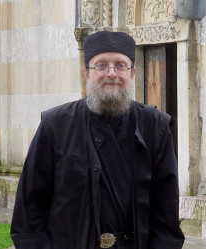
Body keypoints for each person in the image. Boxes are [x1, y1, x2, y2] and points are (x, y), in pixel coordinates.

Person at [10, 31, 185, 249]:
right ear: (86, 72)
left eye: (120, 65)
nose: (111, 73)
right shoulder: (54, 126)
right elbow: (29, 213)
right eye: (101, 65)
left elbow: (166, 216)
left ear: (132, 72)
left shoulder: (155, 126)